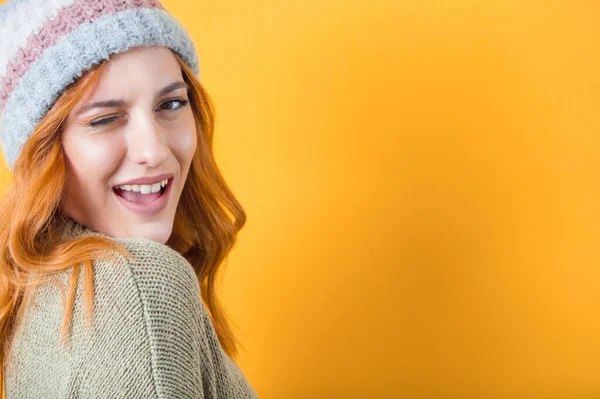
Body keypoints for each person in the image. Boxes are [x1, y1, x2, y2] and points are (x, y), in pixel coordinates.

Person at [0, 0, 258, 397]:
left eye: (170, 104)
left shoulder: (33, 285)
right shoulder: (139, 286)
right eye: (104, 119)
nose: (153, 151)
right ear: (41, 150)